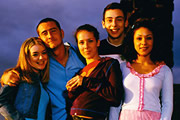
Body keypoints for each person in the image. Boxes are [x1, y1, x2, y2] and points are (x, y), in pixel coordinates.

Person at [1, 18, 85, 120]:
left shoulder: (80, 54)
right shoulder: (42, 63)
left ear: (62, 33)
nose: (50, 36)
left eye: (53, 31)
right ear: (40, 38)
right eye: (45, 33)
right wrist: (6, 76)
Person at [66, 24, 124, 120]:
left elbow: (115, 97)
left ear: (97, 42)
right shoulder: (80, 72)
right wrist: (71, 91)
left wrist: (85, 81)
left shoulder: (108, 64)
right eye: (81, 42)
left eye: (90, 41)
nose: (86, 46)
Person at [118, 18, 173, 120]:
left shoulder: (164, 70)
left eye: (148, 38)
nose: (144, 42)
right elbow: (116, 103)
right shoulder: (122, 67)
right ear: (132, 41)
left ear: (154, 40)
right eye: (139, 38)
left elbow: (167, 103)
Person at [0, 37, 49, 120]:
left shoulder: (41, 81)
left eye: (44, 53)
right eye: (35, 54)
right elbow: (1, 101)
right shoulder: (18, 76)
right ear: (27, 57)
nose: (41, 57)